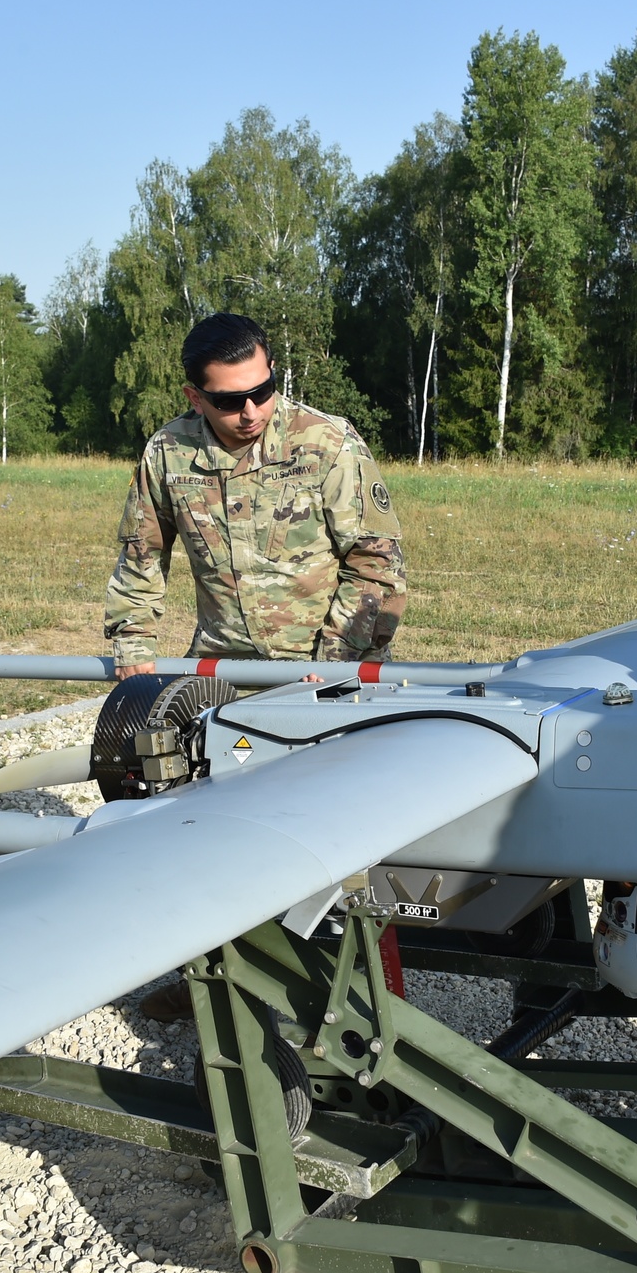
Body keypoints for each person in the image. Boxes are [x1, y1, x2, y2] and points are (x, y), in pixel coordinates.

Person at [102, 313, 406, 1021]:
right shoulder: (168, 454)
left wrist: (334, 669)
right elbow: (141, 558)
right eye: (230, 399)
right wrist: (133, 648)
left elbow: (377, 566)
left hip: (326, 677)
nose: (251, 410)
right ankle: (217, 979)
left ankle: (361, 999)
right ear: (194, 396)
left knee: (335, 843)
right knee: (209, 835)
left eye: (263, 391)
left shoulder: (326, 444)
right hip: (223, 680)